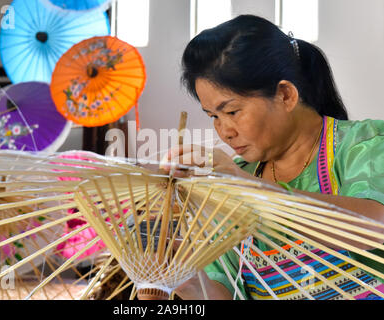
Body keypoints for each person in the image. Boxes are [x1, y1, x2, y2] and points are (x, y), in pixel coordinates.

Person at [161, 14, 384, 300]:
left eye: (232, 111)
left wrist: (250, 189)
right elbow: (225, 294)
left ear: (285, 95)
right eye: (213, 116)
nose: (224, 131)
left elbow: (373, 228)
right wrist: (188, 280)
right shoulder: (231, 182)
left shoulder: (363, 144)